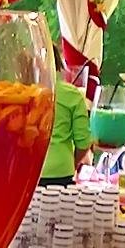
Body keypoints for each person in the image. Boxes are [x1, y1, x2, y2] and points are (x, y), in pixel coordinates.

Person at [40, 47, 93, 186]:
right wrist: (73, 163)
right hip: (62, 172)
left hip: (27, 173)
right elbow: (84, 142)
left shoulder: (21, 94)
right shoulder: (72, 94)